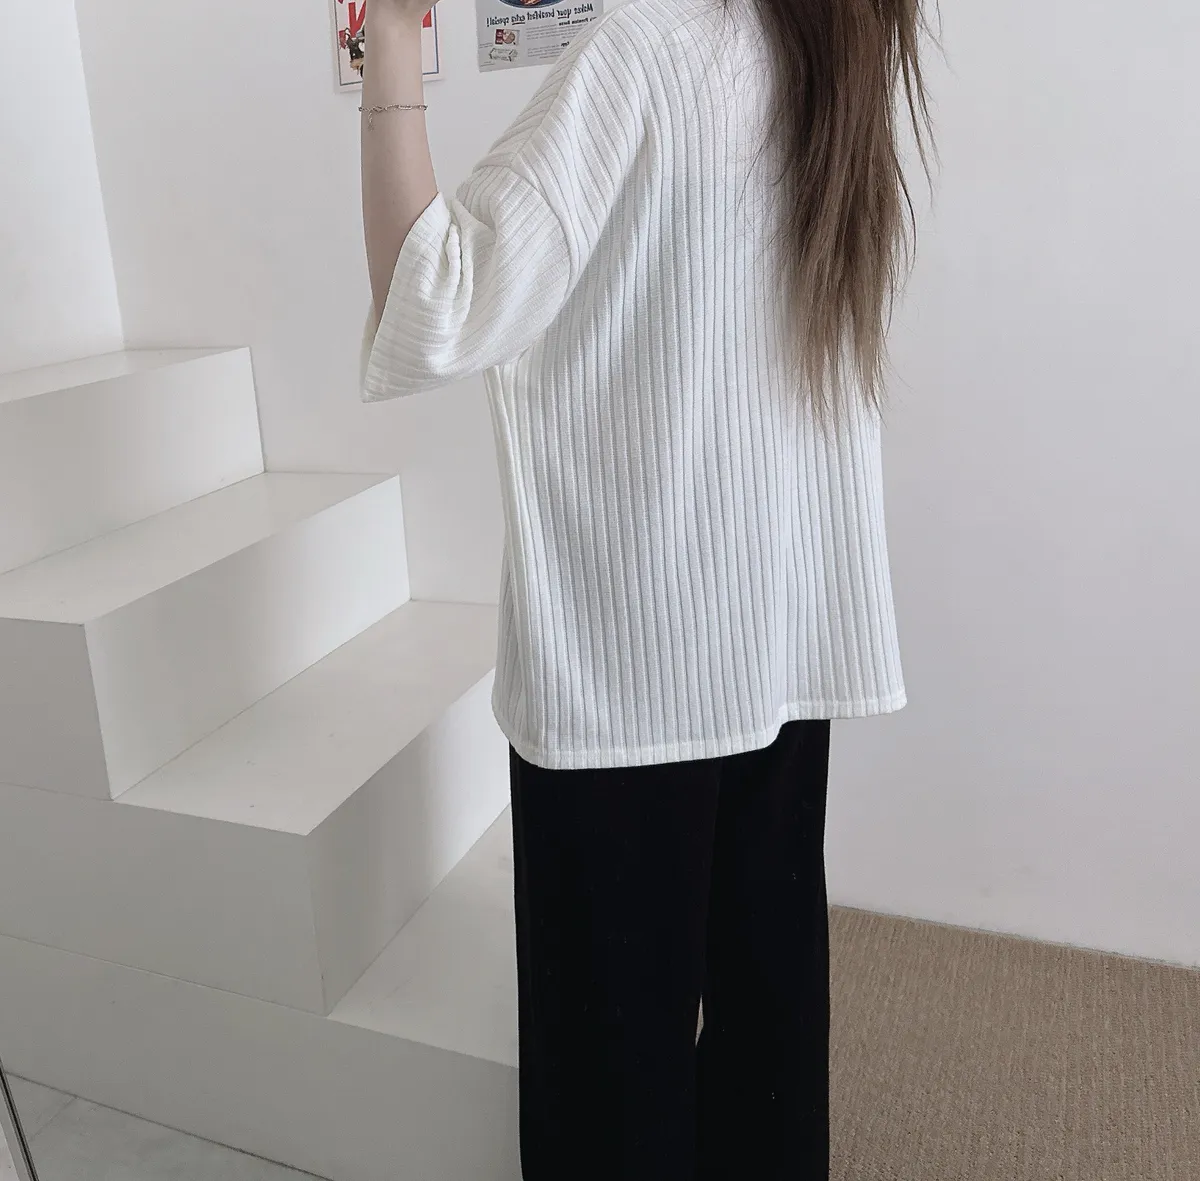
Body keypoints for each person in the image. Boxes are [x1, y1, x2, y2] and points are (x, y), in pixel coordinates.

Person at [359, 0, 932, 1176]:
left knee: (609, 1074)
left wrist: (392, 50)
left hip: (631, 664)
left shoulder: (639, 55)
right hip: (778, 638)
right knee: (768, 1016)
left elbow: (434, 300)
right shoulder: (833, 50)